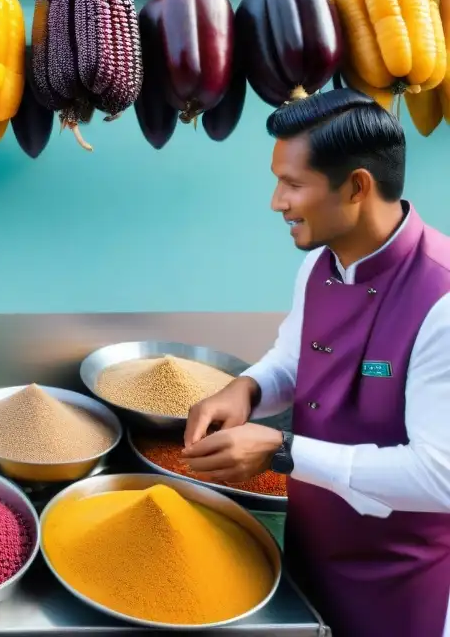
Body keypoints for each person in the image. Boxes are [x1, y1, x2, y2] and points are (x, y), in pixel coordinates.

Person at [182, 89, 450, 637]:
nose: (277, 201)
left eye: (293, 184)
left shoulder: (442, 300)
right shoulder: (321, 264)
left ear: (356, 186)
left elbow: (440, 475)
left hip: (397, 583)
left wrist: (282, 451)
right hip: (307, 554)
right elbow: (293, 355)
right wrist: (247, 389)